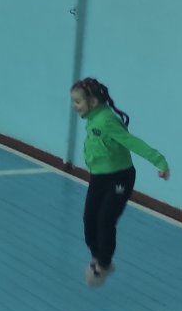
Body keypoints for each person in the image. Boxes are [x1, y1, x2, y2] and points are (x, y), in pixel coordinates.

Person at [70, 76, 169, 287]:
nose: (75, 106)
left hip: (120, 178)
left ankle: (104, 264)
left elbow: (132, 142)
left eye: (78, 101)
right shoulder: (93, 119)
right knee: (89, 218)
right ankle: (97, 256)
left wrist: (159, 161)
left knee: (105, 219)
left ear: (93, 102)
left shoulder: (106, 120)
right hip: (99, 177)